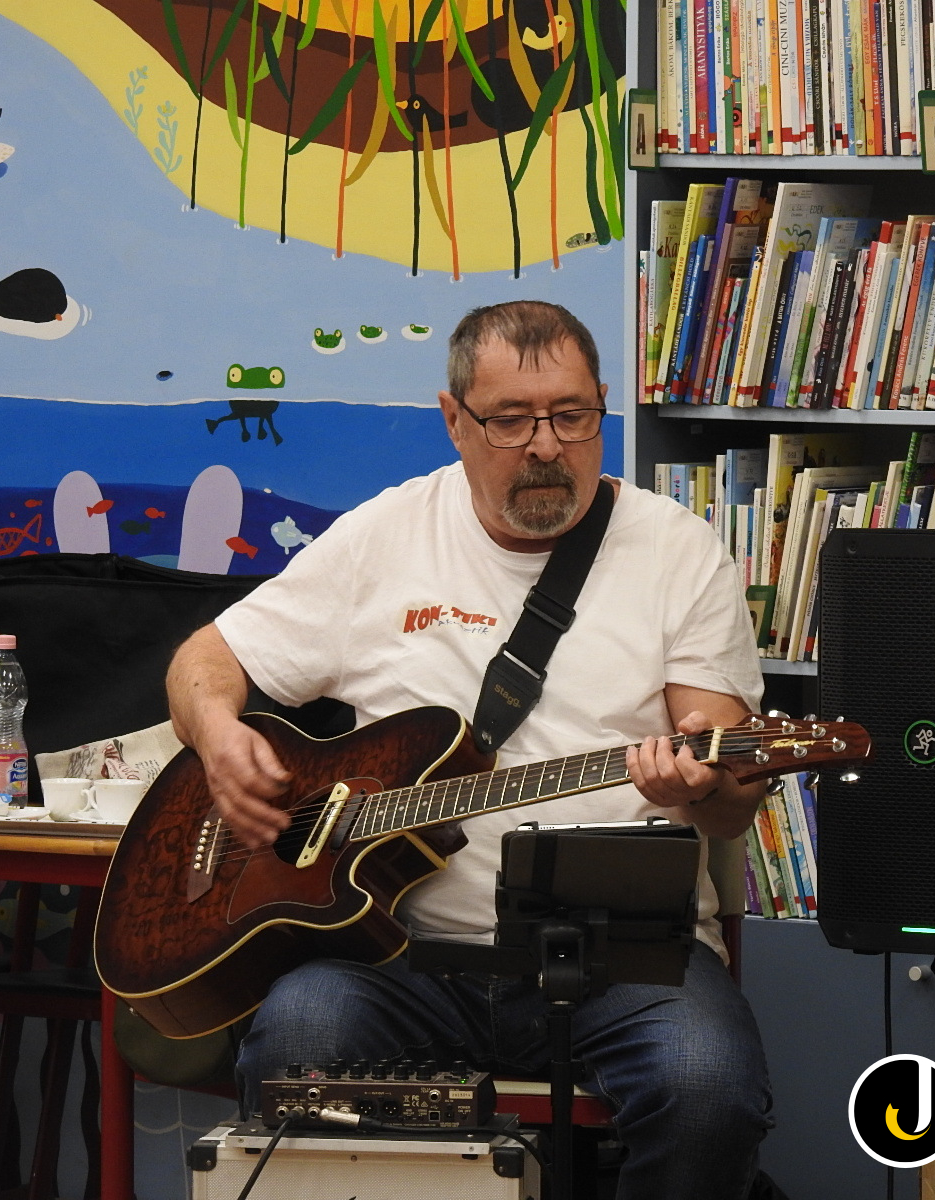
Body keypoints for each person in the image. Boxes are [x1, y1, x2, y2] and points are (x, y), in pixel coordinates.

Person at [166, 300, 774, 1199]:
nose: (546, 445)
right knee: (295, 1043)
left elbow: (729, 798)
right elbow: (203, 662)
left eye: (572, 416)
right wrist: (220, 738)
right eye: (510, 420)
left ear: (603, 407)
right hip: (398, 957)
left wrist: (701, 782)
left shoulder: (677, 551)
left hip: (622, 963)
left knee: (708, 1089)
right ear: (453, 420)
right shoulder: (385, 535)